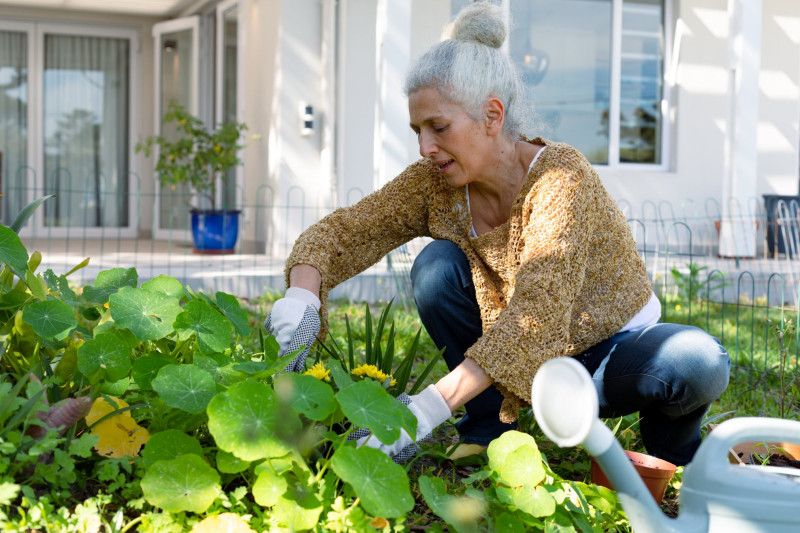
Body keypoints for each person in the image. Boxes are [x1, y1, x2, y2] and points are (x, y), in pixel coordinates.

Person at [265, 1, 730, 466]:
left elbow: (538, 312)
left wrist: (422, 411)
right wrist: (301, 298)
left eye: (438, 127)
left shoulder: (560, 178)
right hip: (515, 352)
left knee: (697, 361)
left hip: (608, 354)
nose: (425, 146)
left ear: (492, 115)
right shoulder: (434, 182)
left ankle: (675, 449)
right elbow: (345, 230)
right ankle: (487, 431)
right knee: (436, 267)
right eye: (417, 129)